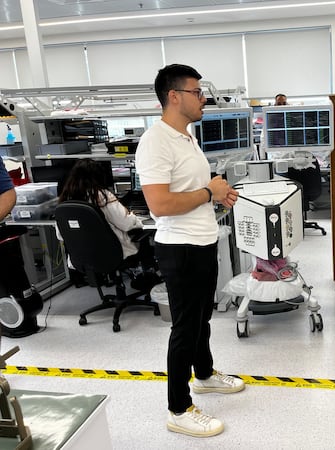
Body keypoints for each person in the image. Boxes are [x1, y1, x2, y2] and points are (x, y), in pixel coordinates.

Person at [135, 63, 243, 438]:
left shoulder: (187, 138)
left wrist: (217, 193)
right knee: (184, 327)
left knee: (202, 320)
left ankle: (205, 374)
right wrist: (207, 192)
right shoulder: (155, 141)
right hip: (179, 248)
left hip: (201, 241)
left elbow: (194, 193)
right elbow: (160, 205)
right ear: (174, 96)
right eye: (197, 92)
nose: (204, 99)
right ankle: (178, 408)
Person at [58, 159, 145, 260]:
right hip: (111, 255)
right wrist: (133, 216)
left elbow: (60, 235)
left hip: (81, 257)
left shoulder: (65, 199)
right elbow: (126, 224)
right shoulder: (102, 197)